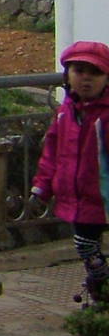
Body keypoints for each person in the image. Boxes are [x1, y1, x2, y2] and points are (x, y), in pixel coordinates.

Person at [28, 39, 109, 309]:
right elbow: (52, 152)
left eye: (95, 73)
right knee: (86, 245)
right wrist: (42, 187)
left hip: (104, 194)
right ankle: (101, 292)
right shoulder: (65, 114)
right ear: (68, 75)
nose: (86, 79)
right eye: (79, 71)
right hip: (80, 198)